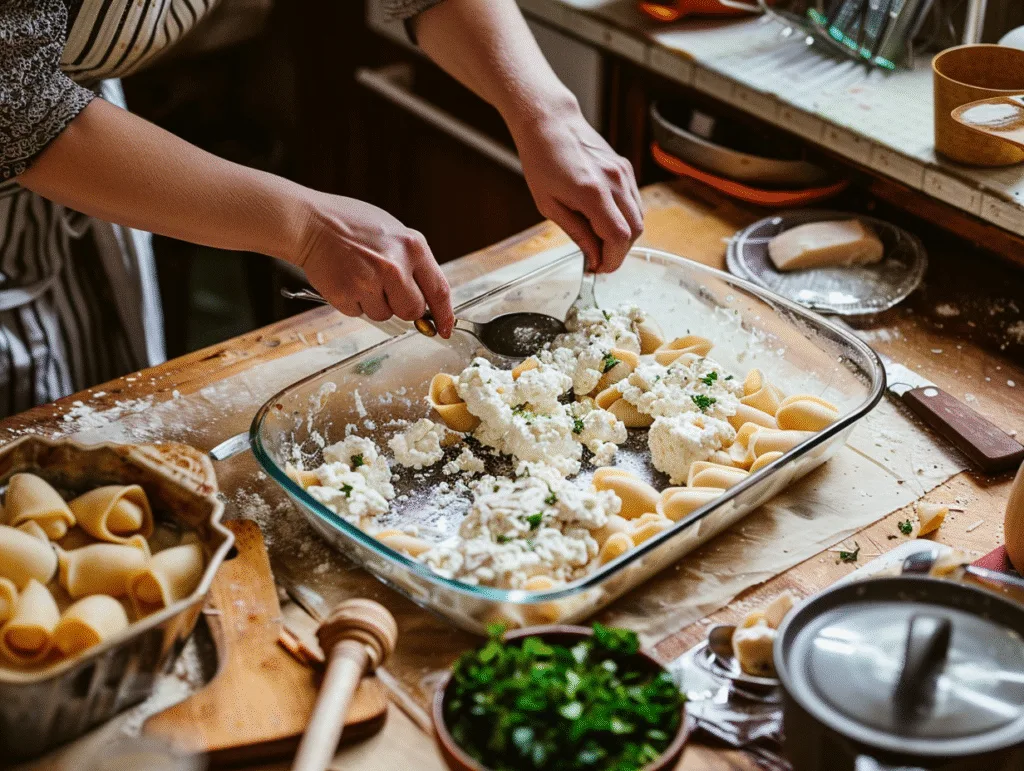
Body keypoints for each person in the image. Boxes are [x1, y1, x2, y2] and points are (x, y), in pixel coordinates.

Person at [0, 0, 643, 416]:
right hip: (41, 164)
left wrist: (546, 113)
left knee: (83, 438)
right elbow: (14, 99)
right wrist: (304, 227)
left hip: (80, 181)